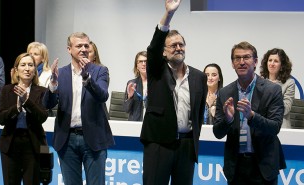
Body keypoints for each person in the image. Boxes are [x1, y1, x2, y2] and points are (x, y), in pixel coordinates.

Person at [140, 0, 207, 184]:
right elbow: (153, 47)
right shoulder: (156, 70)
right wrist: (168, 14)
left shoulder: (198, 77)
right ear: (164, 52)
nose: (178, 48)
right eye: (173, 45)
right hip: (158, 144)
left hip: (186, 146)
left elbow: (199, 113)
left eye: (181, 44)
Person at [43, 32, 114, 185]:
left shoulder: (100, 71)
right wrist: (53, 84)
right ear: (69, 49)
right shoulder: (60, 73)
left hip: (94, 138)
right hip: (67, 139)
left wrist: (87, 78)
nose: (83, 49)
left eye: (86, 45)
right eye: (78, 46)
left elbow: (102, 96)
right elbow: (47, 104)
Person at [213, 41, 286, 185]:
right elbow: (217, 133)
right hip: (236, 167)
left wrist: (252, 116)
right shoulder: (224, 93)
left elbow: (275, 127)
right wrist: (228, 120)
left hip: (263, 166)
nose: (241, 62)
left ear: (255, 62)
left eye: (246, 57)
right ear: (232, 64)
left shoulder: (272, 90)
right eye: (237, 58)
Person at [0, 53, 49, 185]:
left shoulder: (42, 91)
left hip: (33, 145)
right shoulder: (7, 90)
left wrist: (26, 101)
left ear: (35, 70)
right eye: (23, 65)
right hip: (10, 144)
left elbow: (42, 117)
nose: (27, 68)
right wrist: (17, 107)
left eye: (31, 65)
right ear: (16, 69)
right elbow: (1, 118)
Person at [260, 48, 295, 128]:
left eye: (276, 61)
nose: (272, 64)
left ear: (282, 65)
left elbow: (286, 109)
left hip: (280, 125)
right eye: (270, 60)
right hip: (261, 123)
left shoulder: (289, 83)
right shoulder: (260, 80)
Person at [123, 51, 148, 121]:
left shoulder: (156, 84)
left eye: (146, 61)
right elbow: (126, 109)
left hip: (151, 124)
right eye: (140, 61)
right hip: (135, 124)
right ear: (137, 66)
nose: (144, 64)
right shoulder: (131, 84)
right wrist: (130, 97)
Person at [88, 41, 110, 120]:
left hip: (97, 115)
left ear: (95, 56)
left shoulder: (102, 70)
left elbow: (102, 93)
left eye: (89, 52)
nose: (86, 54)